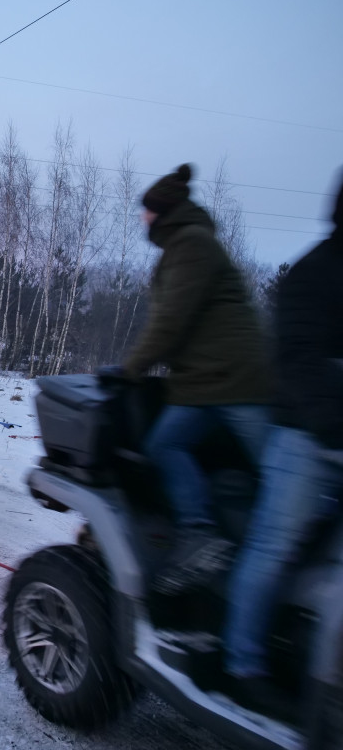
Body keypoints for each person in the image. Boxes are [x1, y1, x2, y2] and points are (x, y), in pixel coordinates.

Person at [221, 171, 343, 717]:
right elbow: (296, 360)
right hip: (306, 439)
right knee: (275, 544)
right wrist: (334, 431)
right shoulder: (315, 275)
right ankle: (241, 661)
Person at [120, 163, 271, 594]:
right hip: (207, 382)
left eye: (146, 211)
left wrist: (132, 369)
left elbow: (171, 321)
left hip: (234, 380)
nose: (142, 219)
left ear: (162, 212)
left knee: (278, 478)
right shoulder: (187, 245)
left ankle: (219, 540)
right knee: (167, 444)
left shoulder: (191, 244)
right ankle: (206, 532)